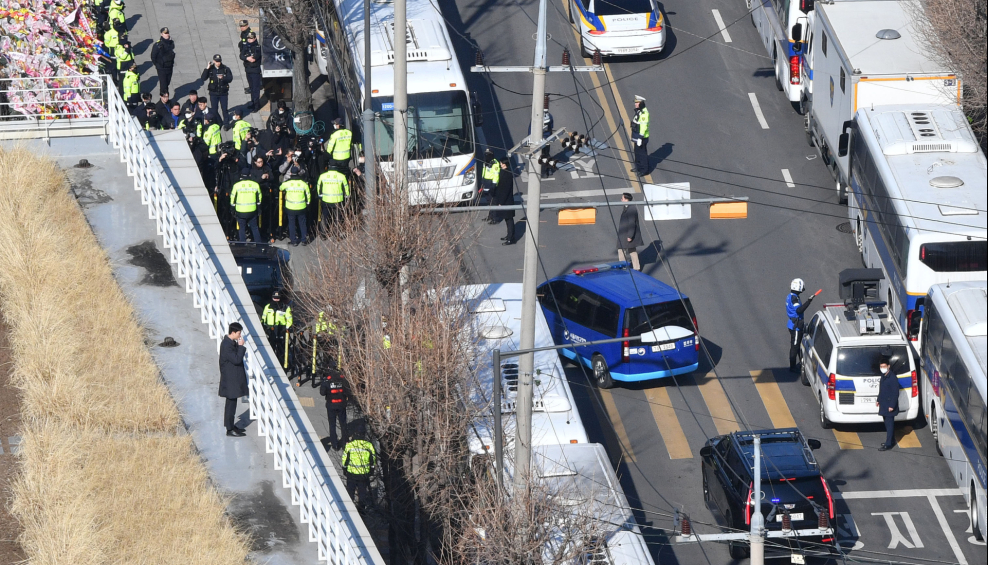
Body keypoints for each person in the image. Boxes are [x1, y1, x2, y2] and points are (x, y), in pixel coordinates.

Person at [218, 322, 248, 437]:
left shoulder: (230, 343)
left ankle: (230, 425)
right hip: (230, 380)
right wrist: (240, 347)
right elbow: (236, 359)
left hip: (232, 379)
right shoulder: (227, 345)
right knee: (230, 404)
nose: (240, 335)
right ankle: (229, 429)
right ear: (233, 332)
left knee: (232, 403)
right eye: (239, 333)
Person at [786, 278, 815, 373]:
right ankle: (793, 367)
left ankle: (800, 362)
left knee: (797, 344)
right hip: (796, 326)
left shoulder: (790, 296)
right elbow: (799, 310)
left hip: (793, 324)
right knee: (795, 346)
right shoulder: (794, 299)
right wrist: (809, 301)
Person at [342, 431, 376, 507]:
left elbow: (345, 459)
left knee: (350, 492)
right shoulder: (368, 445)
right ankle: (362, 511)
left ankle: (349, 507)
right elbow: (372, 460)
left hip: (351, 474)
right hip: (364, 474)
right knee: (362, 493)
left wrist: (344, 469)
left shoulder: (350, 445)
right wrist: (371, 470)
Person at [319, 368, 349, 450]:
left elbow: (322, 393)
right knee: (343, 424)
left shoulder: (327, 381)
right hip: (341, 405)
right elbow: (348, 391)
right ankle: (345, 443)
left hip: (331, 405)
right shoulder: (343, 379)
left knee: (332, 425)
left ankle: (334, 444)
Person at [201, 54, 233, 129]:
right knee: (214, 109)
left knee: (224, 109)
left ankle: (226, 123)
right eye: (217, 61)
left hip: (223, 93)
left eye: (219, 61)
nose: (218, 63)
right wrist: (207, 68)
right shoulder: (211, 69)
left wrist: (223, 78)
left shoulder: (225, 69)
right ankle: (217, 122)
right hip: (213, 93)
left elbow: (230, 78)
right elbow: (203, 78)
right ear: (214, 61)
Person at [261, 290, 293, 365]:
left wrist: (286, 328)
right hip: (270, 329)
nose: (276, 300)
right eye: (275, 298)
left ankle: (281, 362)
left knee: (281, 347)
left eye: (277, 298)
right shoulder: (268, 307)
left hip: (281, 329)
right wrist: (264, 326)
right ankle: (270, 361)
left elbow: (289, 319)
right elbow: (264, 317)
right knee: (270, 346)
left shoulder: (285, 307)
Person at [281, 169, 311, 246]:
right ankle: (304, 240)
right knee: (302, 223)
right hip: (301, 207)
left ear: (290, 173)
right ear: (299, 173)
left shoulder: (287, 183)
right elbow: (308, 195)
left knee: (291, 224)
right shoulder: (303, 184)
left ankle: (293, 241)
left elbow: (280, 188)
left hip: (290, 207)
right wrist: (307, 203)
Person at [230, 170, 262, 242]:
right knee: (254, 227)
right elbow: (259, 199)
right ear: (250, 175)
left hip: (240, 211)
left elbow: (232, 199)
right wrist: (259, 209)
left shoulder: (236, 185)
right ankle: (259, 244)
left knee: (242, 228)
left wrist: (232, 209)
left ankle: (242, 244)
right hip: (252, 211)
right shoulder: (255, 185)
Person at [877, 356, 900, 451]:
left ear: (888, 366)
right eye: (881, 366)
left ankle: (888, 444)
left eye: (884, 366)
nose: (882, 368)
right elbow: (881, 390)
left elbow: (895, 393)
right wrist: (878, 399)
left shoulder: (892, 378)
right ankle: (891, 440)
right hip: (883, 404)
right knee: (887, 424)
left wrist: (892, 405)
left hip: (889, 405)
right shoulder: (883, 376)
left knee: (889, 425)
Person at [316, 167, 349, 233]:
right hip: (337, 200)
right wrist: (347, 195)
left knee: (325, 216)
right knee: (337, 217)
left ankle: (323, 233)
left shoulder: (322, 176)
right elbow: (346, 187)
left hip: (326, 199)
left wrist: (320, 194)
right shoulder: (342, 176)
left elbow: (318, 185)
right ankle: (337, 232)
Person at [491, 160, 515, 245]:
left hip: (507, 201)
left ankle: (510, 238)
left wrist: (501, 202)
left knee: (509, 219)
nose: (500, 164)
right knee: (507, 219)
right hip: (505, 200)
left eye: (501, 163)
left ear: (504, 164)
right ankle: (509, 236)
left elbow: (505, 190)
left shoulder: (507, 174)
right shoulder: (504, 172)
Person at [617, 193, 643, 270]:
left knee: (621, 250)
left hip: (627, 235)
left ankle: (623, 267)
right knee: (632, 250)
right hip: (626, 234)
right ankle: (636, 267)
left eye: (622, 198)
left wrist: (630, 236)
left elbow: (632, 223)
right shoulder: (627, 207)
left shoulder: (631, 209)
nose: (621, 200)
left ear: (626, 199)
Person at [240, 31, 262, 112]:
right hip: (248, 70)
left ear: (255, 38)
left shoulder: (257, 47)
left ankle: (256, 105)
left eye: (251, 38)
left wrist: (247, 57)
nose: (249, 40)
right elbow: (241, 55)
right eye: (248, 38)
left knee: (255, 89)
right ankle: (253, 103)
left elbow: (254, 58)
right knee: (251, 88)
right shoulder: (246, 46)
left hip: (255, 70)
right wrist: (247, 58)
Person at [150, 27, 175, 95]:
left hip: (169, 67)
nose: (167, 34)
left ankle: (165, 96)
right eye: (165, 33)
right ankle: (164, 98)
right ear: (161, 34)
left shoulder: (171, 43)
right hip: (162, 68)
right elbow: (153, 56)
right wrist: (158, 65)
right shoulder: (158, 45)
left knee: (167, 83)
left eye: (167, 33)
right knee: (163, 85)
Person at [631, 95, 650, 176]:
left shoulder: (644, 114)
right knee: (637, 152)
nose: (635, 104)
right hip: (636, 135)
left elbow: (643, 127)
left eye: (637, 103)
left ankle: (644, 170)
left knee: (642, 154)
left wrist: (640, 138)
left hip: (641, 137)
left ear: (641, 103)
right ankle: (638, 166)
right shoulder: (639, 111)